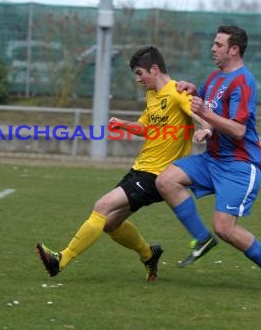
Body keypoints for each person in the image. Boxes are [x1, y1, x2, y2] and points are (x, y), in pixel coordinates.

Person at [36, 45, 209, 282]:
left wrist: (205, 129)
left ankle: (60, 260)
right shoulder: (152, 95)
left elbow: (202, 115)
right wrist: (124, 125)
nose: (138, 79)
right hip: (139, 169)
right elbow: (146, 128)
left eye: (140, 73)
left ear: (155, 69)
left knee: (102, 206)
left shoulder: (177, 92)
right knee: (110, 224)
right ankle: (149, 254)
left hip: (157, 175)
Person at [156, 25, 261, 293]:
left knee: (224, 228)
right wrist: (194, 93)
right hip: (212, 159)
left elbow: (238, 129)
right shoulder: (215, 78)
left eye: (218, 44)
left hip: (239, 165)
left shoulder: (244, 81)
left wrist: (206, 114)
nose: (213, 49)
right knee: (166, 181)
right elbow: (208, 107)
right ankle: (202, 240)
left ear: (234, 49)